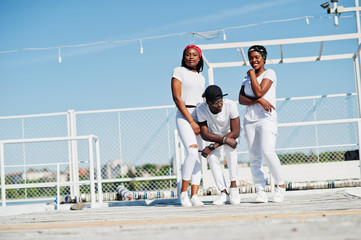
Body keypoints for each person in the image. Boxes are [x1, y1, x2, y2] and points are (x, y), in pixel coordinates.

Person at [238, 45, 285, 203]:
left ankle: (280, 187)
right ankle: (261, 190)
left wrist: (252, 74)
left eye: (257, 57)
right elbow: (241, 99)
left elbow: (259, 91)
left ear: (263, 58)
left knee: (268, 152)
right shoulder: (246, 79)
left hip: (266, 118)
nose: (253, 60)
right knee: (254, 156)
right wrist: (258, 100)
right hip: (250, 120)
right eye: (251, 58)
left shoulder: (270, 73)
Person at [171, 45, 205, 207]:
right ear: (183, 57)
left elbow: (202, 100)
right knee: (191, 151)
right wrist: (191, 121)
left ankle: (194, 195)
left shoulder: (201, 76)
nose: (191, 57)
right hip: (185, 116)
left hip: (200, 116)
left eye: (194, 55)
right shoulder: (178, 71)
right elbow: (177, 98)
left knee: (199, 156)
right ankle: (183, 194)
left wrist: (203, 121)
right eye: (187, 55)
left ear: (199, 58)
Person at [197, 85, 241, 205]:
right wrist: (220, 142)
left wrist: (213, 146)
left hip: (230, 135)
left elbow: (236, 131)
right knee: (211, 158)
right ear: (208, 102)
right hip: (214, 136)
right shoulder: (201, 109)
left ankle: (234, 188)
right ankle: (223, 193)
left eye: (220, 101)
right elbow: (205, 134)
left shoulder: (230, 104)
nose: (220, 105)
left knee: (231, 151)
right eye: (216, 103)